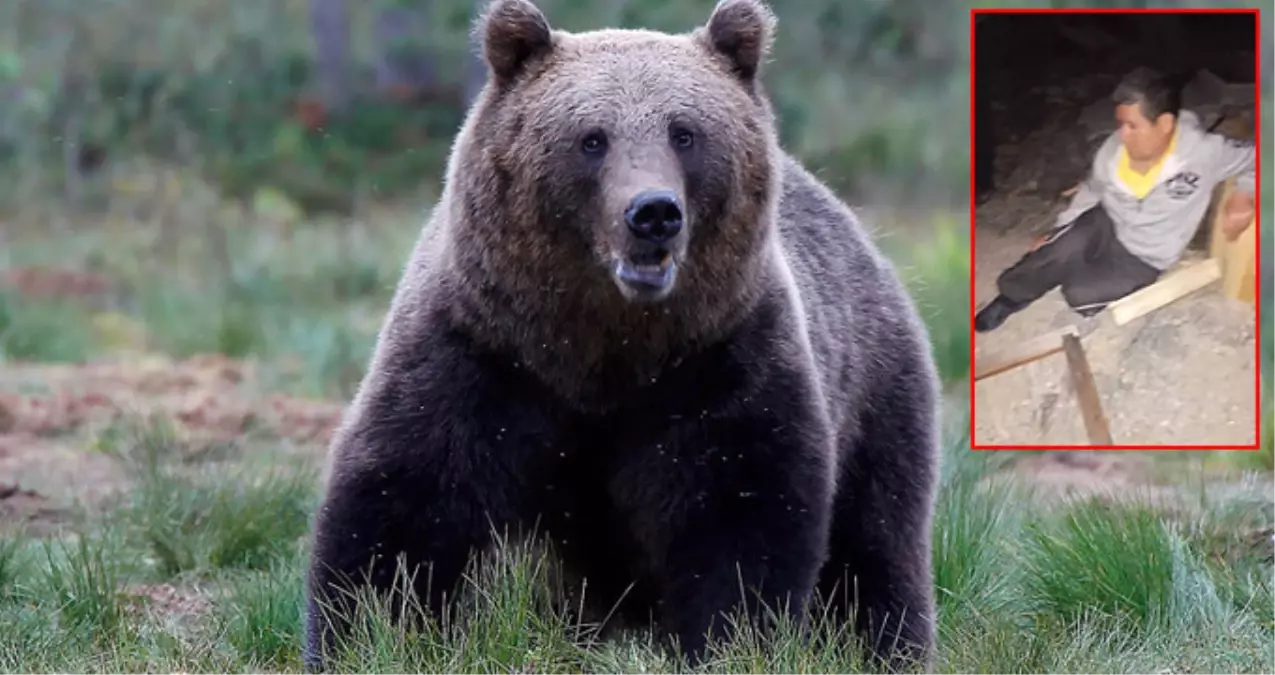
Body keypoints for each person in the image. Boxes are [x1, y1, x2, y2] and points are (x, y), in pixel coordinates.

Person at [974, 67, 1257, 333]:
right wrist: (1061, 229)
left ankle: (1076, 270)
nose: (1123, 135)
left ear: (1165, 124)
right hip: (1106, 222)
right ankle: (1011, 298)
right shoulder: (1111, 153)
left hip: (1145, 256)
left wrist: (1245, 192)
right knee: (1056, 250)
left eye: (1133, 126)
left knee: (1079, 296)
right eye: (1121, 124)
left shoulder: (1203, 153)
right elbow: (1092, 191)